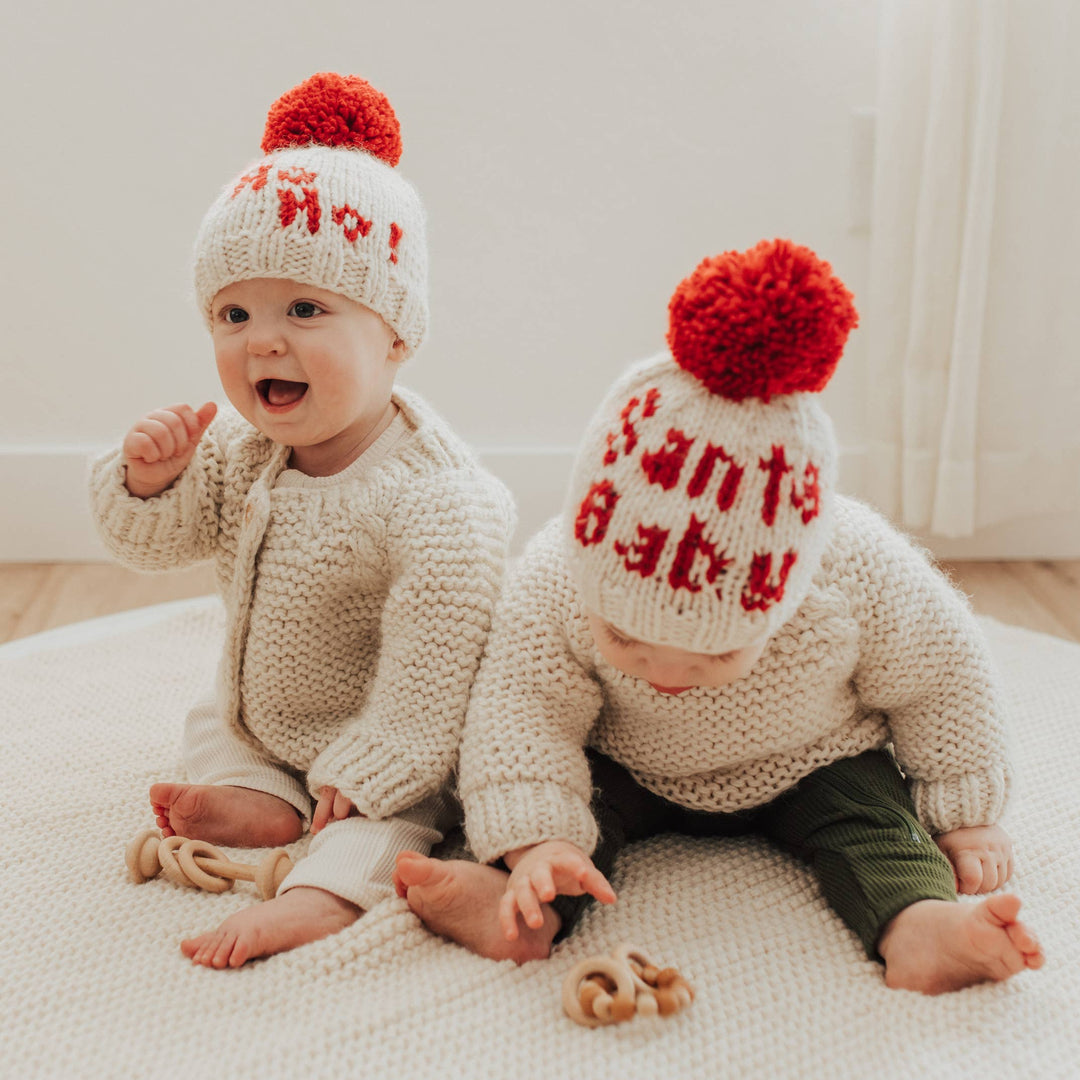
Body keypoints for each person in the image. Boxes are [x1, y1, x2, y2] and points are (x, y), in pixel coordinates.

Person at [394, 238, 1045, 995]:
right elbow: (520, 704)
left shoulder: (859, 567)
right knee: (565, 831)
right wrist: (534, 837)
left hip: (813, 758)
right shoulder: (559, 572)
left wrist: (964, 809)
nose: (666, 675)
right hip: (631, 762)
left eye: (715, 657)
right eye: (624, 639)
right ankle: (521, 907)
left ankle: (921, 926)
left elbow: (943, 674)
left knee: (877, 825)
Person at [90, 72, 514, 968]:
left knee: (405, 817)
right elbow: (154, 544)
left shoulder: (437, 499)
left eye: (305, 310)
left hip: (396, 735)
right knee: (213, 722)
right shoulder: (248, 449)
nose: (262, 341)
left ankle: (319, 897)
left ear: (395, 334)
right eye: (233, 313)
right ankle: (259, 796)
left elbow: (433, 674)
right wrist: (148, 482)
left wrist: (366, 772)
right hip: (267, 712)